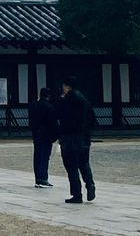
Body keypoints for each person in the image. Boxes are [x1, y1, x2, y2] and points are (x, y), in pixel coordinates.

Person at [56, 75, 96, 204]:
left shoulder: (68, 100)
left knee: (71, 166)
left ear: (67, 86)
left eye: (64, 87)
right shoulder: (84, 100)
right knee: (84, 162)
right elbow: (93, 119)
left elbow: (60, 115)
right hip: (84, 137)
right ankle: (90, 184)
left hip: (70, 137)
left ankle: (77, 194)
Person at [28, 87, 59, 188]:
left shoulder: (33, 105)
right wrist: (55, 135)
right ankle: (43, 178)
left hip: (36, 134)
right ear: (48, 96)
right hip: (46, 135)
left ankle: (37, 178)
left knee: (37, 156)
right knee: (45, 157)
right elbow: (53, 123)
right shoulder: (49, 107)